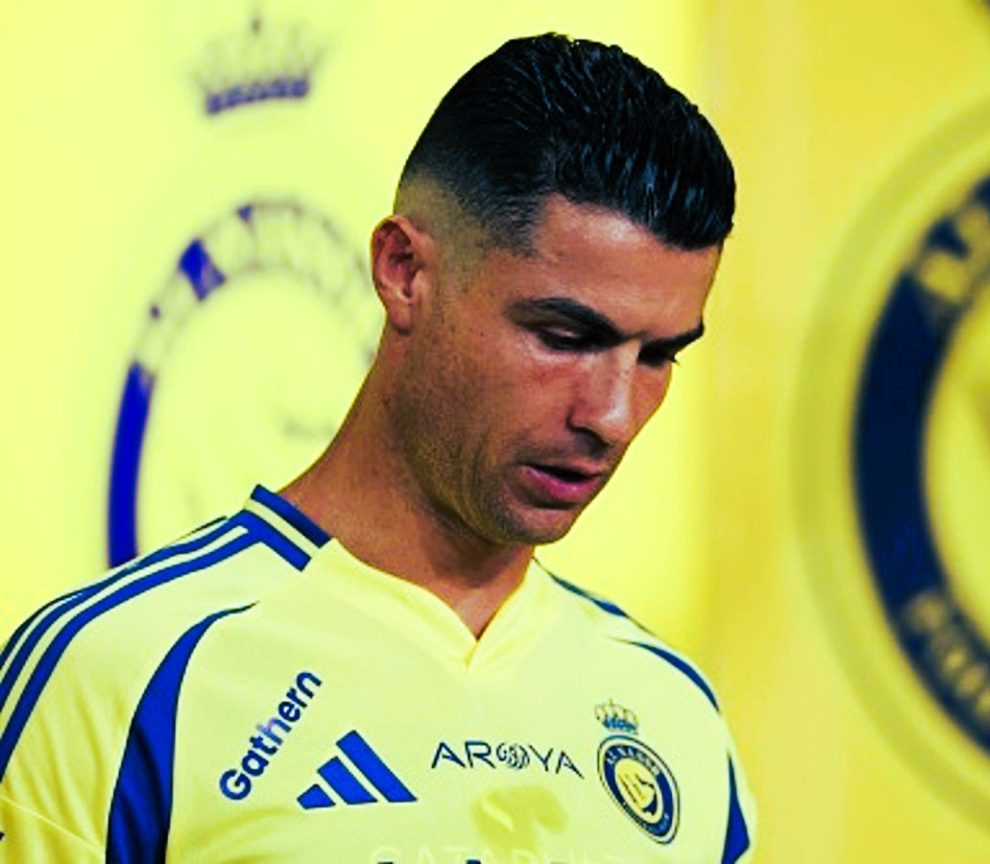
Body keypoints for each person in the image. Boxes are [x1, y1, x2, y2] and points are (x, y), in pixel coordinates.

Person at [0, 33, 753, 862]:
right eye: (564, 336)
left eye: (658, 356)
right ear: (404, 272)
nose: (612, 415)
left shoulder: (673, 713)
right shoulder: (124, 677)